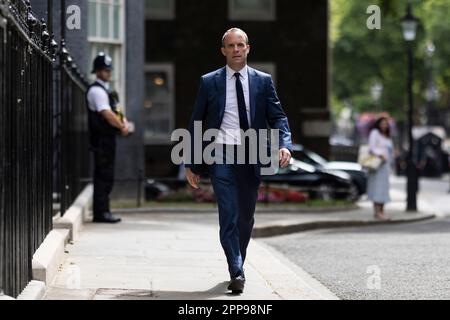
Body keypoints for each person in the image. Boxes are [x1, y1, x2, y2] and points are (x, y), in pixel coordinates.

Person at [185, 28, 292, 294]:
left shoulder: (262, 81)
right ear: (223, 50)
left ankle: (238, 261)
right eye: (230, 45)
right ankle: (236, 270)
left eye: (240, 45)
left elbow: (278, 116)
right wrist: (191, 161)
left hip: (251, 153)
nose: (235, 49)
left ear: (248, 48)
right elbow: (196, 121)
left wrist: (284, 144)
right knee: (229, 213)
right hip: (219, 152)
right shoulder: (209, 81)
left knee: (246, 216)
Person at [86, 53, 130, 224]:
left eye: (109, 69)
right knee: (103, 176)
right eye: (105, 70)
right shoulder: (97, 91)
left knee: (107, 175)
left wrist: (123, 122)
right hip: (101, 140)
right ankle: (101, 213)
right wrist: (121, 126)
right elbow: (107, 114)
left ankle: (104, 210)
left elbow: (117, 111)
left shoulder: (106, 90)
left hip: (108, 139)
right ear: (97, 71)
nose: (108, 72)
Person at [367, 117, 394, 220]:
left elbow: (390, 151)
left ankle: (382, 211)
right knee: (376, 188)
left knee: (384, 189)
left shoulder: (387, 136)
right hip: (377, 165)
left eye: (386, 124)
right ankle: (377, 212)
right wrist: (380, 155)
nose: (384, 125)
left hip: (385, 166)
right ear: (378, 124)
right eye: (382, 123)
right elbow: (372, 147)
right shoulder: (374, 133)